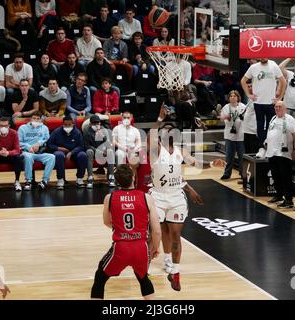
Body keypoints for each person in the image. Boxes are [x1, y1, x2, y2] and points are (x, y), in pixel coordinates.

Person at [147, 106, 224, 291]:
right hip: (157, 195)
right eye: (165, 129)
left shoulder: (181, 151)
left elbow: (196, 164)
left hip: (175, 196)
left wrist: (212, 163)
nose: (168, 131)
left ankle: (175, 271)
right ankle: (150, 263)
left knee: (174, 233)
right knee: (157, 232)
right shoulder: (156, 150)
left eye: (170, 129)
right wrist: (159, 118)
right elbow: (150, 136)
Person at [90, 164, 161, 300]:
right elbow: (157, 231)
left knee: (100, 277)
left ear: (117, 181)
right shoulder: (147, 198)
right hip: (141, 247)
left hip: (121, 247)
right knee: (143, 277)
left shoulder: (109, 198)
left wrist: (120, 227)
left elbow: (106, 222)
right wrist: (155, 247)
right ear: (134, 178)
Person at [241, 58, 287, 155]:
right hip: (258, 102)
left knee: (271, 126)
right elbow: (243, 81)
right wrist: (249, 94)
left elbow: (283, 81)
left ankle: (270, 145)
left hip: (270, 102)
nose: (263, 57)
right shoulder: (253, 67)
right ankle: (262, 147)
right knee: (260, 126)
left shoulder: (274, 65)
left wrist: (280, 98)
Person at [265, 101, 295, 209]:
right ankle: (279, 195)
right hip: (272, 151)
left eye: (280, 107)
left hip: (283, 153)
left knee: (285, 176)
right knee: (276, 175)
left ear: (285, 108)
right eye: (276, 107)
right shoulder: (273, 118)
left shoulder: (290, 119)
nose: (277, 108)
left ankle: (289, 200)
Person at [47, 116, 87, 189]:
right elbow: (49, 145)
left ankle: (80, 179)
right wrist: (59, 148)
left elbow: (81, 146)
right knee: (58, 155)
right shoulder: (56, 132)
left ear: (73, 124)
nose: (67, 126)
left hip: (74, 152)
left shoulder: (77, 132)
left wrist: (71, 152)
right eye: (65, 125)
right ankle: (60, 179)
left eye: (69, 125)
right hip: (61, 151)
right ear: (62, 124)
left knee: (83, 155)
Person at [18, 112, 56, 190]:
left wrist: (39, 143)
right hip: (26, 152)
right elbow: (18, 142)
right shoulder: (22, 128)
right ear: (30, 119)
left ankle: (44, 181)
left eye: (38, 119)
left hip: (40, 152)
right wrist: (29, 147)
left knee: (51, 157)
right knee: (28, 156)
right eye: (34, 118)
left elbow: (47, 140)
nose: (36, 120)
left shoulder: (44, 128)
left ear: (40, 120)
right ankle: (28, 181)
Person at [0, 117, 22, 192]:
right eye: (2, 126)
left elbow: (17, 150)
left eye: (6, 126)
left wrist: (8, 153)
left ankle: (17, 181)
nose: (4, 127)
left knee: (18, 157)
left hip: (9, 155)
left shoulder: (14, 133)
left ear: (9, 125)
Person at [219, 90, 246, 181]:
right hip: (229, 135)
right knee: (229, 156)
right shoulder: (226, 107)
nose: (233, 97)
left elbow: (246, 118)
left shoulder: (243, 107)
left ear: (238, 97)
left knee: (242, 156)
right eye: (231, 96)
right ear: (229, 98)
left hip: (240, 135)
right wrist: (226, 116)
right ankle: (227, 173)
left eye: (234, 96)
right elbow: (222, 118)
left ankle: (243, 174)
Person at [84, 114, 115, 188]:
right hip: (93, 151)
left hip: (103, 151)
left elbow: (109, 144)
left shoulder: (104, 130)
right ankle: (90, 178)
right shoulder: (86, 131)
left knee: (110, 151)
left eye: (97, 123)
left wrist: (103, 137)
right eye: (94, 123)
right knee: (89, 152)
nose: (96, 125)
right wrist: (99, 152)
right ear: (90, 124)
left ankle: (111, 177)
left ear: (100, 123)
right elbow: (87, 145)